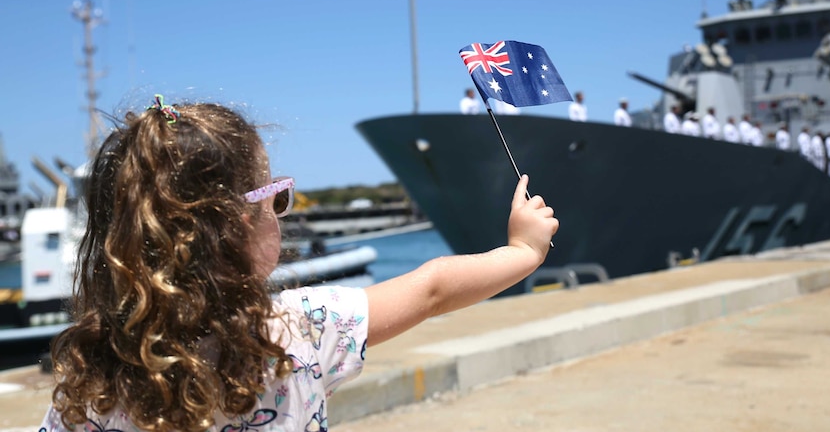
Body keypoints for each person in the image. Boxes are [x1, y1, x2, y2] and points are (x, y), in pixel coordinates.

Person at [40, 95, 558, 432]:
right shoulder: (298, 330)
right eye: (278, 198)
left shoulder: (91, 375)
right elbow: (434, 288)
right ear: (239, 221)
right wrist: (523, 252)